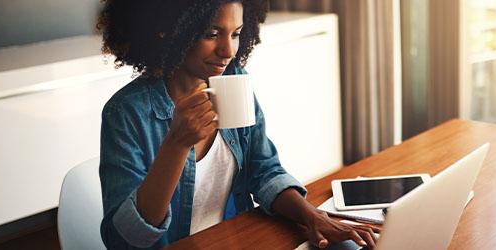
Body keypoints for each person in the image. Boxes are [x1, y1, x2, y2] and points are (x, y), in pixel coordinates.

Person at [96, 0, 378, 248]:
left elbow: (264, 170)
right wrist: (176, 144)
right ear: (166, 29)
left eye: (237, 34)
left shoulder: (233, 81)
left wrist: (313, 216)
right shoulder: (126, 113)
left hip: (237, 239)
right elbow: (124, 241)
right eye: (212, 34)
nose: (228, 50)